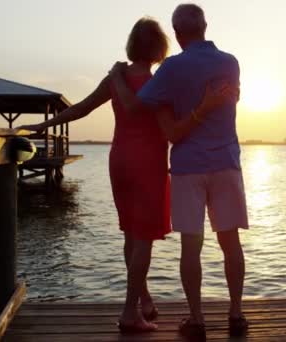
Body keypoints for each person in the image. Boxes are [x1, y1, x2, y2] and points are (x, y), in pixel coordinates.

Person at [17, 17, 234, 333]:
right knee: (143, 238)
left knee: (130, 234)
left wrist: (44, 126)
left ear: (132, 44)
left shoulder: (116, 78)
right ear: (160, 47)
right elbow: (173, 128)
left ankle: (144, 300)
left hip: (119, 160)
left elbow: (81, 108)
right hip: (149, 164)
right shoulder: (160, 82)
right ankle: (130, 313)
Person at [109, 3, 249, 337]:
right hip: (226, 162)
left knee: (192, 245)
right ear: (205, 26)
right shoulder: (230, 63)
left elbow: (135, 104)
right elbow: (232, 99)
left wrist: (116, 75)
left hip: (188, 166)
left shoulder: (171, 69)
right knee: (231, 242)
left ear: (177, 32)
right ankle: (236, 314)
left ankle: (197, 320)